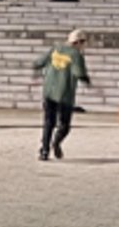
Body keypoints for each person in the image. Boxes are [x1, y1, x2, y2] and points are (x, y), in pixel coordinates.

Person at [32, 29, 91, 161]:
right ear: (79, 42)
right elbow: (79, 73)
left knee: (48, 122)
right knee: (64, 125)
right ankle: (56, 142)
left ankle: (44, 151)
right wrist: (88, 81)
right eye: (83, 42)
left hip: (48, 91)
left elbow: (38, 62)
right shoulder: (76, 55)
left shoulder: (55, 49)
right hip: (64, 94)